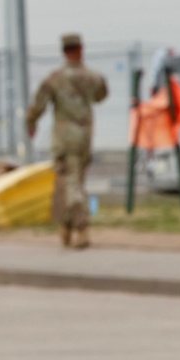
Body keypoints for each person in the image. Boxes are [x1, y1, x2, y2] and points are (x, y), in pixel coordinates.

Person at [26, 33, 108, 249]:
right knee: (76, 183)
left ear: (64, 51)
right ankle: (66, 227)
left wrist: (31, 123)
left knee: (70, 184)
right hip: (86, 137)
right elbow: (101, 96)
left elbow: (38, 105)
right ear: (81, 49)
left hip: (65, 139)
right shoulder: (94, 77)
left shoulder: (55, 78)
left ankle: (81, 228)